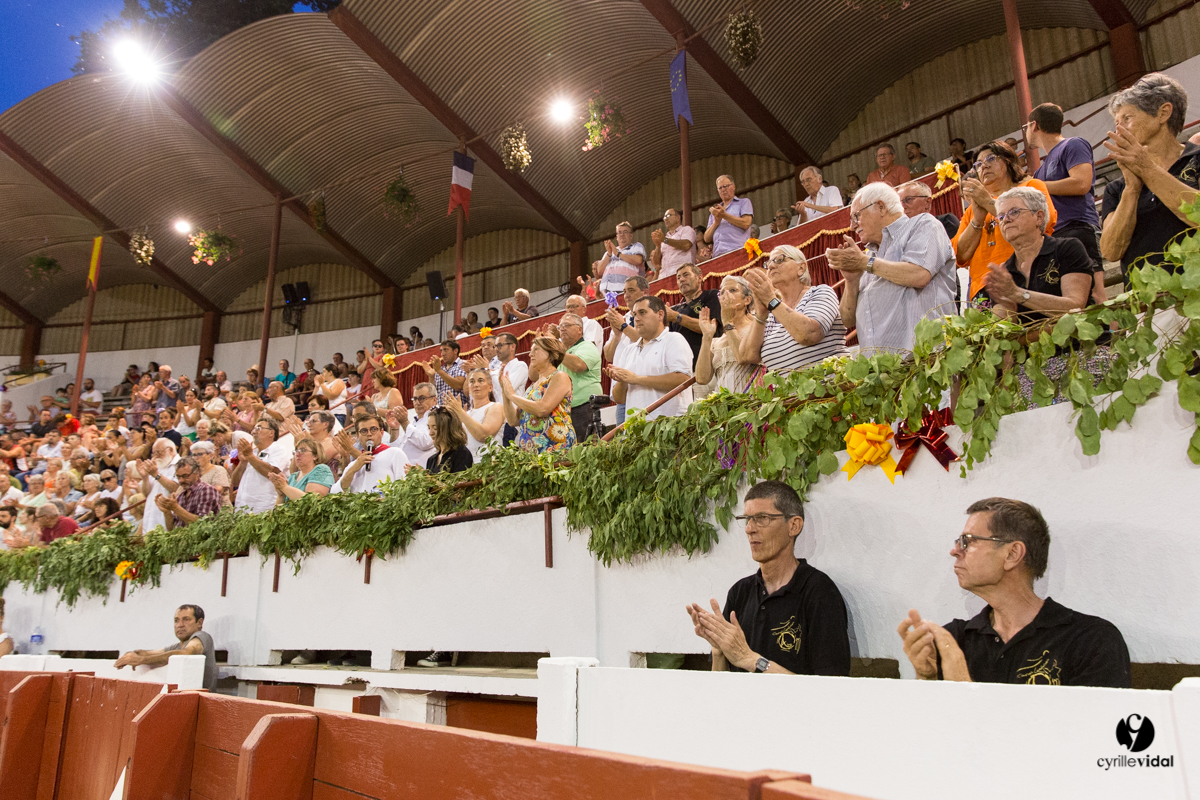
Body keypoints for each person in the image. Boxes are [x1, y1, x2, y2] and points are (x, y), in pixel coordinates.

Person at [898, 498, 1131, 687]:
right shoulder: (956, 637)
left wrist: (962, 686)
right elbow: (933, 731)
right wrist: (926, 678)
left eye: (967, 541)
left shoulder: (1092, 640)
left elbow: (1093, 735)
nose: (955, 551)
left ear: (1012, 554)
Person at [687, 481, 851, 675]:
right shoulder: (740, 592)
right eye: (747, 519)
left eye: (762, 518)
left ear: (793, 526)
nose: (749, 529)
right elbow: (721, 688)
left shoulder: (819, 592)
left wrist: (751, 660)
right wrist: (719, 651)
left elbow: (830, 691)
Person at [978, 187, 1111, 403]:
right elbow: (1007, 335)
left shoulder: (1067, 248)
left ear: (1038, 216)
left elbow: (1074, 308)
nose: (1005, 220)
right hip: (1033, 368)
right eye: (1000, 217)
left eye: (1013, 213)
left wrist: (1018, 294)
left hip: (1080, 355)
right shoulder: (1005, 272)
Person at [831, 183, 957, 354]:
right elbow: (847, 320)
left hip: (926, 365)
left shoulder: (923, 225)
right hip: (883, 374)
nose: (853, 226)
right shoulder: (870, 257)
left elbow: (919, 274)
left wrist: (864, 263)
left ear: (881, 207)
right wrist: (851, 280)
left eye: (856, 216)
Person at [1101, 72, 1199, 281]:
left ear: (1163, 113)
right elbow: (1110, 252)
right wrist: (1132, 189)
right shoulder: (1117, 188)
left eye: (1127, 118)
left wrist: (1148, 170)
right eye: (1116, 122)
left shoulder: (1196, 159)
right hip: (1146, 305)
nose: (1119, 130)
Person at [952, 140, 1057, 301]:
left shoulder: (1031, 186)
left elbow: (1043, 222)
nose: (984, 166)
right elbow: (960, 255)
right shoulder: (972, 210)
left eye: (990, 159)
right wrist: (978, 220)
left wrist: (988, 202)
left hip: (1028, 277)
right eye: (978, 164)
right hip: (983, 288)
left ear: (1008, 161)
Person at [1026, 103, 1107, 305]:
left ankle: (1111, 336)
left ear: (1034, 125)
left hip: (1078, 227)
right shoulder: (1040, 170)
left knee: (1095, 293)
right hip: (1054, 235)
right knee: (1067, 300)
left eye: (1026, 126)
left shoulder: (1073, 144)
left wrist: (1038, 185)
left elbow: (1081, 183)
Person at [742, 245, 847, 375]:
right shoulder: (771, 311)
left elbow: (809, 334)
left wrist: (771, 301)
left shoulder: (820, 292)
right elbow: (748, 356)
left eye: (779, 260)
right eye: (768, 263)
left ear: (801, 268)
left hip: (831, 390)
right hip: (790, 395)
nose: (771, 267)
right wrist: (761, 314)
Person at [605, 296, 693, 420]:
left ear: (660, 315)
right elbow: (619, 399)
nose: (637, 318)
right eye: (635, 314)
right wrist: (622, 379)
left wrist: (636, 379)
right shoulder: (628, 350)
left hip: (670, 427)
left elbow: (682, 379)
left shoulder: (673, 339)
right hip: (636, 431)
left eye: (643, 312)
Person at [115, 604, 217, 691]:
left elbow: (187, 653)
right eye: (176, 620)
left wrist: (141, 660)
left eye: (186, 619)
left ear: (199, 623)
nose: (180, 625)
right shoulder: (177, 647)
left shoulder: (202, 637)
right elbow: (149, 653)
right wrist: (132, 655)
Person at [502, 336, 576, 454]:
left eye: (536, 350)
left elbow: (543, 409)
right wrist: (505, 393)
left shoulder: (559, 376)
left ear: (552, 354)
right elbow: (513, 421)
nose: (530, 354)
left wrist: (512, 395)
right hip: (531, 452)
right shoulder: (532, 387)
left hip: (555, 448)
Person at [694, 276, 760, 395]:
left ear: (747, 300)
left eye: (733, 290)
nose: (726, 295)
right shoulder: (717, 341)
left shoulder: (756, 327)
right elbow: (702, 379)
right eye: (722, 292)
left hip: (752, 404)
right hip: (724, 407)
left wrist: (728, 323)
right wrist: (707, 337)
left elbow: (743, 358)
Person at [602, 276, 648, 425]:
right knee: (624, 441)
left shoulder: (649, 316)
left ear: (644, 292)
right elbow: (608, 356)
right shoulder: (623, 319)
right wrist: (616, 335)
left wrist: (623, 327)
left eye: (631, 290)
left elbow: (646, 342)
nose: (626, 295)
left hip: (643, 388)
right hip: (622, 392)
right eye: (624, 291)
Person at [554, 314, 603, 441]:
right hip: (564, 411)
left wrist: (555, 348)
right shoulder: (561, 354)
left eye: (567, 325)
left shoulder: (587, 346)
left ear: (580, 329)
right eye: (560, 326)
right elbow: (533, 375)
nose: (562, 329)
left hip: (584, 407)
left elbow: (578, 365)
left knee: (584, 451)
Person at [665, 262, 723, 367]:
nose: (681, 279)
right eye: (678, 278)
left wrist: (676, 317)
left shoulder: (711, 295)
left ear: (699, 278)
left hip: (711, 365)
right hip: (684, 369)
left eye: (686, 275)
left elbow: (710, 327)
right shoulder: (677, 309)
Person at [336, 413, 410, 493]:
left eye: (373, 429)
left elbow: (405, 486)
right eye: (364, 431)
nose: (369, 434)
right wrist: (353, 469)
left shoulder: (395, 453)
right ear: (357, 435)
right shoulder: (353, 465)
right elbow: (336, 493)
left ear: (381, 432)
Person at [232, 419, 294, 514]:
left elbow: (272, 472)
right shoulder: (252, 452)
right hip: (243, 509)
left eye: (259, 428)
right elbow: (235, 482)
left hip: (265, 508)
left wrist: (250, 456)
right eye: (254, 428)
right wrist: (243, 462)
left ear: (271, 433)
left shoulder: (278, 449)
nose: (254, 431)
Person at [445, 369, 504, 460]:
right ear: (469, 389)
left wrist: (460, 412)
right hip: (467, 467)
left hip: (489, 466)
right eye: (472, 381)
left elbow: (484, 436)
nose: (476, 384)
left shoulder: (495, 406)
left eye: (480, 381)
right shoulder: (466, 414)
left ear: (490, 388)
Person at [156, 457, 221, 531]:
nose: (181, 480)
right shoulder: (180, 496)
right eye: (178, 477)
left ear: (196, 472)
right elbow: (172, 529)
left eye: (185, 476)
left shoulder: (206, 490)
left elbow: (202, 524)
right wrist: (167, 512)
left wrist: (176, 508)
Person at [136, 438, 179, 533]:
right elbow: (146, 493)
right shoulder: (158, 466)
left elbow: (176, 488)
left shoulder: (179, 464)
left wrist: (156, 474)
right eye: (154, 453)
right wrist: (145, 477)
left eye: (158, 452)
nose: (155, 456)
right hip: (151, 517)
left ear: (170, 450)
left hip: (168, 519)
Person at [704, 175, 754, 256]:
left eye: (725, 186)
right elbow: (706, 238)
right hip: (718, 255)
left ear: (733, 186)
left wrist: (724, 216)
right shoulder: (716, 211)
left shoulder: (744, 202)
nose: (723, 190)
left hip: (738, 251)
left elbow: (746, 223)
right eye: (720, 188)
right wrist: (716, 223)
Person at [269, 440, 334, 501]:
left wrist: (284, 487)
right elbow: (278, 510)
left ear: (315, 456)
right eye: (296, 451)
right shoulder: (292, 477)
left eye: (302, 450)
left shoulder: (321, 470)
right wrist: (281, 495)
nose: (297, 454)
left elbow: (312, 501)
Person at [594, 223, 647, 293]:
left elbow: (638, 260)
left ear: (631, 235)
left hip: (626, 290)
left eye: (625, 232)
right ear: (616, 236)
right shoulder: (609, 251)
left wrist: (618, 254)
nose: (622, 234)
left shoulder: (636, 246)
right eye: (619, 232)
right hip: (607, 293)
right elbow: (600, 271)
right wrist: (609, 254)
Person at [649, 207, 696, 279]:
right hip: (664, 277)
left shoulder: (686, 229)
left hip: (683, 275)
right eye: (664, 217)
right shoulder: (664, 237)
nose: (665, 219)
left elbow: (686, 245)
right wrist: (658, 246)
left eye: (668, 216)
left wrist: (665, 240)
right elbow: (657, 264)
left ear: (678, 218)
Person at [423, 407, 473, 474]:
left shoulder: (461, 454)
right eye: (429, 428)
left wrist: (427, 478)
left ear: (448, 428)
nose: (430, 433)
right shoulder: (431, 460)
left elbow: (459, 483)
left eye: (435, 428)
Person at [399, 383, 438, 466]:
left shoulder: (437, 417)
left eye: (422, 398)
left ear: (434, 400)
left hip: (423, 473)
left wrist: (405, 423)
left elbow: (426, 442)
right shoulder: (414, 421)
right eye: (415, 399)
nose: (417, 402)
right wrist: (394, 429)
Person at [421, 340, 468, 406]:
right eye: (441, 351)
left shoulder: (463, 364)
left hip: (458, 412)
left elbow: (458, 386)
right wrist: (431, 376)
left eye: (446, 350)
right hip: (441, 412)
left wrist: (439, 371)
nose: (442, 354)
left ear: (455, 351)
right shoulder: (440, 369)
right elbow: (432, 394)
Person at [188, 441, 231, 506]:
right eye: (194, 455)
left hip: (218, 511)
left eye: (200, 454)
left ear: (210, 455)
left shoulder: (218, 470)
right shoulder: (192, 473)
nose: (196, 458)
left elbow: (216, 491)